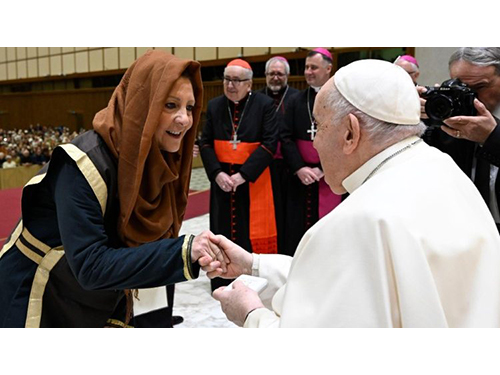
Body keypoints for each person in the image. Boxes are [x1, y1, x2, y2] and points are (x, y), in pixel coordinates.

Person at [211, 59, 500, 328]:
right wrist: (255, 264)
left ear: (350, 133)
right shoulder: (439, 166)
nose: (316, 144)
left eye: (320, 127)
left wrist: (250, 313)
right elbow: (345, 280)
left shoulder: (360, 220)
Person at [0, 50, 227, 328]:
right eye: (170, 105)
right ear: (142, 105)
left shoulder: (161, 163)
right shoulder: (82, 163)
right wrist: (184, 251)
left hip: (100, 298)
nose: (185, 119)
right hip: (41, 296)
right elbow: (90, 265)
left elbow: (150, 243)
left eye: (190, 107)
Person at [199, 59, 279, 292]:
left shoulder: (264, 104)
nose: (230, 85)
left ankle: (250, 279)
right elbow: (205, 143)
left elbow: (269, 144)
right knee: (221, 228)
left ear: (249, 83)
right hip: (222, 182)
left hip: (252, 182)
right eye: (227, 79)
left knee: (247, 230)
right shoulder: (215, 106)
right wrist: (217, 174)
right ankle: (221, 277)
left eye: (236, 80)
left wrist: (243, 175)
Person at [420, 47, 500, 232]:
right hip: (458, 231)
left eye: (480, 87)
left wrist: (492, 137)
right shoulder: (446, 125)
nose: (470, 98)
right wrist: (410, 117)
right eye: (461, 89)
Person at [280, 48, 342, 256]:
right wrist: (299, 168)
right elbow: (286, 137)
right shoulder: (296, 100)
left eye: (313, 67)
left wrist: (325, 168)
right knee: (297, 229)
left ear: (328, 68)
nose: (308, 71)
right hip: (301, 179)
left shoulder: (340, 100)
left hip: (330, 176)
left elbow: (346, 137)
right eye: (306, 67)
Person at [258, 56, 299, 254]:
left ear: (287, 76)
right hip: (263, 168)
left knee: (288, 215)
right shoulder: (256, 98)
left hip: (290, 168)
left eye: (279, 74)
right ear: (265, 75)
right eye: (271, 73)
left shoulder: (296, 98)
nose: (275, 78)